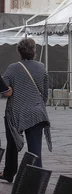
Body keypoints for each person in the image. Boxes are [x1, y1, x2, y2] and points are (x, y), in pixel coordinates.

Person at [1, 38, 52, 183]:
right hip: (36, 113)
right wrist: (37, 105)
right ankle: (36, 181)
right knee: (35, 151)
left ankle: (9, 172)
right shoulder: (42, 67)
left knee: (12, 144)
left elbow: (4, 89)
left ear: (19, 52)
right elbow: (45, 93)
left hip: (16, 113)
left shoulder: (13, 68)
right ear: (34, 51)